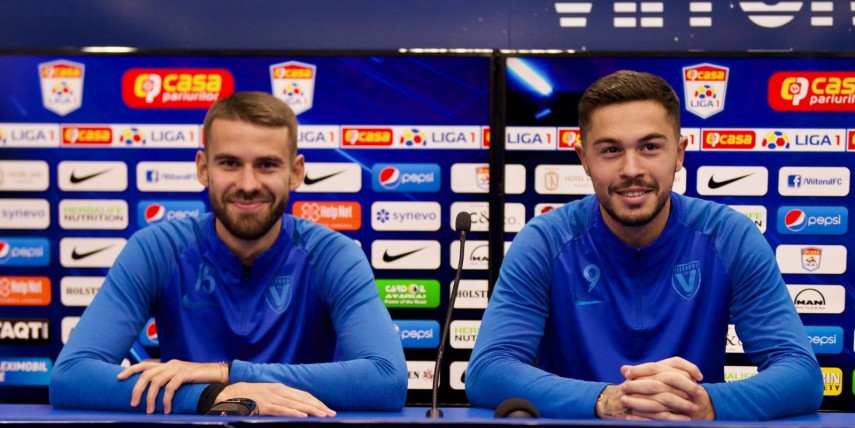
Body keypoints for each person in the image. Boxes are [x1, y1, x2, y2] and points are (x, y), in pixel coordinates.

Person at [466, 70, 823, 421]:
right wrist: (606, 400)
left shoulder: (730, 236)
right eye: (611, 150)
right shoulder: (544, 241)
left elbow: (801, 374)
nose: (631, 169)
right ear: (584, 159)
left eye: (650, 147)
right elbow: (488, 370)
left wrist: (705, 403)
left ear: (679, 153)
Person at [50, 91, 408, 416]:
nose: (248, 184)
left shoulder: (333, 255)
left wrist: (227, 373)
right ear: (203, 168)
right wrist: (215, 395)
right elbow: (72, 376)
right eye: (230, 164)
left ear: (296, 172)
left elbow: (386, 379)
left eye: (267, 165)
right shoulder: (157, 248)